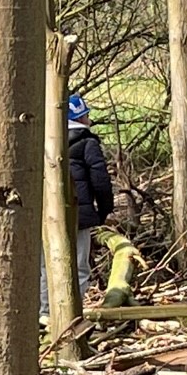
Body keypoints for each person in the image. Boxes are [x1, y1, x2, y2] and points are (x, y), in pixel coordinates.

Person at [43, 94, 115, 314]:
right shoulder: (87, 143)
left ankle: (44, 314)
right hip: (79, 217)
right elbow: (100, 181)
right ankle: (73, 313)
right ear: (81, 117)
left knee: (46, 268)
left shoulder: (42, 141)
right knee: (79, 268)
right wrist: (103, 212)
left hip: (45, 215)